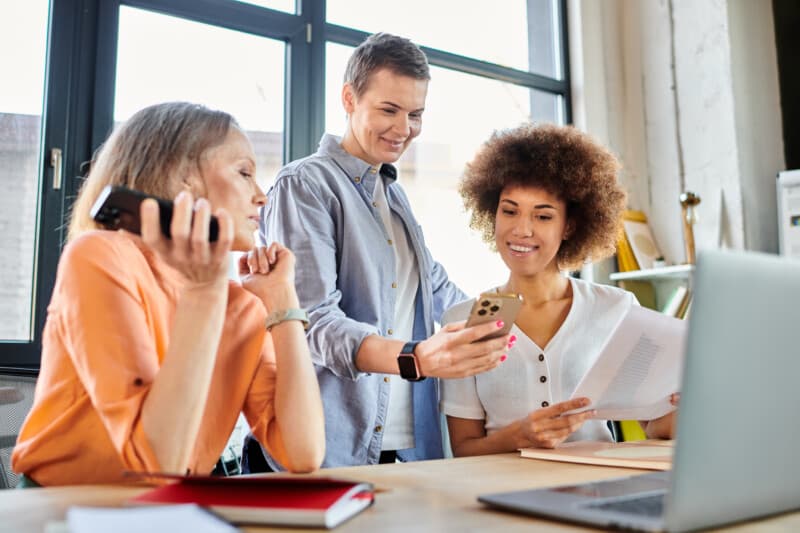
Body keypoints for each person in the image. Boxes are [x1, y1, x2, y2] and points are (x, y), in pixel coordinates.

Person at [11, 102, 325, 486]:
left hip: (168, 506)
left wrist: (283, 303)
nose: (262, 196)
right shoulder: (100, 256)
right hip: (61, 503)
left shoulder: (241, 305)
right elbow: (155, 464)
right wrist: (204, 292)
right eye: (244, 173)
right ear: (182, 180)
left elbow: (304, 452)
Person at [248, 33, 512, 470]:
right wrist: (415, 357)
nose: (403, 129)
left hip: (406, 444)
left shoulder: (393, 196)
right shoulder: (306, 185)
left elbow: (437, 291)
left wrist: (509, 316)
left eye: (415, 114)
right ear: (349, 99)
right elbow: (312, 324)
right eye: (388, 110)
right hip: (330, 445)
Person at [441, 123, 677, 457]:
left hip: (593, 492)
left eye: (543, 216)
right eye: (510, 211)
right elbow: (464, 449)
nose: (522, 230)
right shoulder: (467, 320)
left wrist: (684, 405)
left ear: (569, 225)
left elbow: (658, 427)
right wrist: (520, 435)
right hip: (498, 494)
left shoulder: (616, 308)